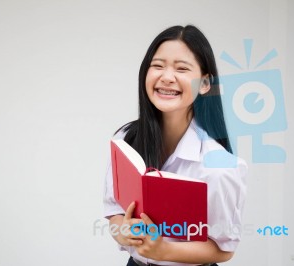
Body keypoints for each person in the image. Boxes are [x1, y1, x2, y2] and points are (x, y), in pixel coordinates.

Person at [103, 25, 247, 266]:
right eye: (158, 66)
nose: (167, 77)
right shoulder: (126, 139)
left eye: (181, 68)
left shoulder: (219, 166)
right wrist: (123, 231)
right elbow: (114, 211)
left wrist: (164, 251)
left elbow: (224, 249)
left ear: (204, 83)